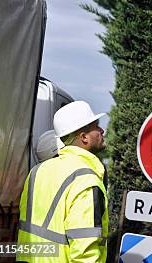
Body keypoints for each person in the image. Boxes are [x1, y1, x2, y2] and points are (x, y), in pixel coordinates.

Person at [17, 101, 109, 263]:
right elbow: (85, 252)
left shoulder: (37, 171)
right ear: (84, 137)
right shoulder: (86, 180)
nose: (102, 131)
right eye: (96, 126)